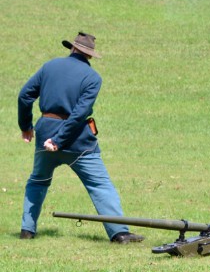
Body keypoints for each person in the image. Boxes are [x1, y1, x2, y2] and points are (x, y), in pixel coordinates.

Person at [17, 32, 144, 244]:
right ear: (90, 56)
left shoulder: (50, 66)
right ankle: (119, 233)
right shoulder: (93, 78)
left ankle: (27, 231)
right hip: (78, 142)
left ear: (72, 48)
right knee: (100, 185)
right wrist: (59, 140)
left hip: (45, 134)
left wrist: (26, 126)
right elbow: (79, 114)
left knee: (37, 182)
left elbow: (24, 95)